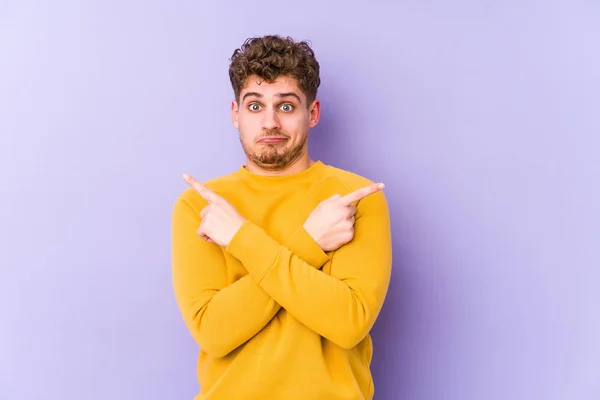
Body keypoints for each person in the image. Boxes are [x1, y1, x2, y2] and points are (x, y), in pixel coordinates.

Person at [171, 34, 393, 400]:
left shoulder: (355, 200)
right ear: (235, 113)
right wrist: (310, 243)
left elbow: (348, 322)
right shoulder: (203, 207)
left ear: (313, 112)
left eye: (286, 107)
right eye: (255, 106)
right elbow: (214, 332)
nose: (270, 123)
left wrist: (241, 238)